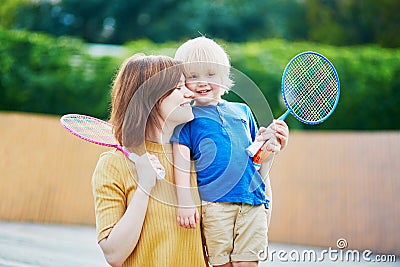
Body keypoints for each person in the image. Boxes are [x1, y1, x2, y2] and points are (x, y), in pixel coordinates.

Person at [171, 37, 289, 267]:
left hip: (252, 201)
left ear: (224, 77)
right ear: (182, 83)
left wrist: (270, 143)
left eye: (210, 74)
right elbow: (181, 163)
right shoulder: (186, 119)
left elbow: (256, 157)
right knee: (222, 263)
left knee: (247, 263)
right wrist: (184, 202)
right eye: (193, 76)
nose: (202, 82)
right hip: (216, 206)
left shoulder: (243, 111)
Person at [91, 54, 208, 267]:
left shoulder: (196, 157)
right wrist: (144, 187)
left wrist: (265, 159)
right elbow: (114, 255)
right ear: (151, 97)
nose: (190, 93)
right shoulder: (113, 165)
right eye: (178, 87)